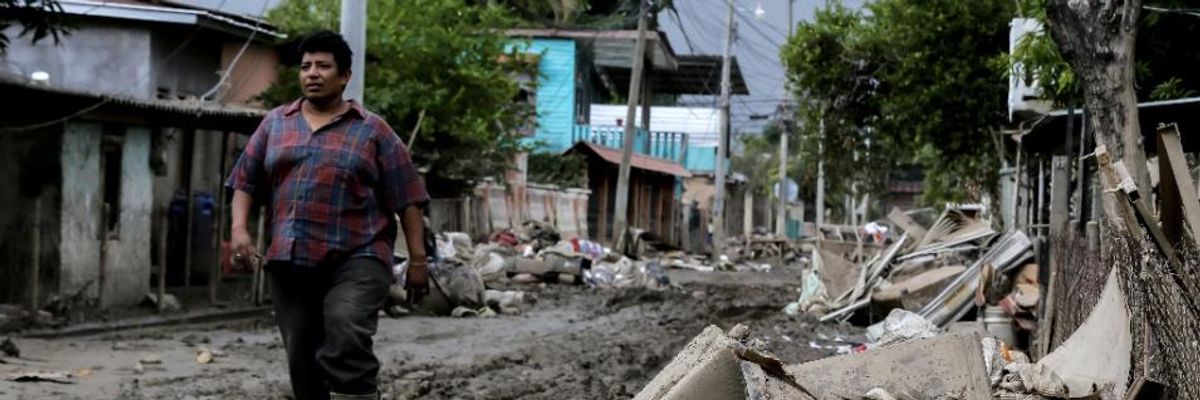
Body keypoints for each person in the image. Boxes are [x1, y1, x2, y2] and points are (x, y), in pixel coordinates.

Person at [226, 30, 429, 400]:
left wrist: (418, 260)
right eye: (306, 67)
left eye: (323, 66)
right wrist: (239, 230)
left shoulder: (372, 130)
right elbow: (245, 180)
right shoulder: (275, 123)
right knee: (302, 357)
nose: (312, 73)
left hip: (358, 254)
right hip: (291, 257)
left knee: (345, 325)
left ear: (345, 75)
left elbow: (408, 198)